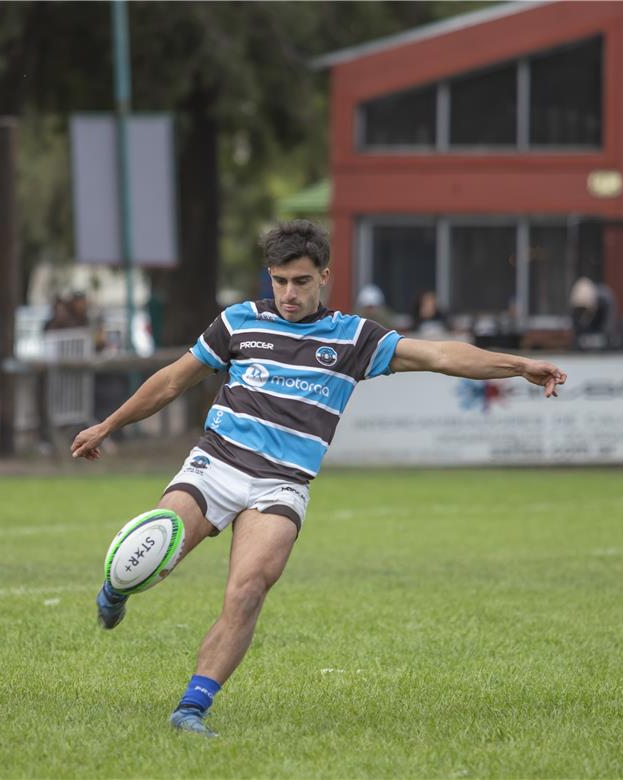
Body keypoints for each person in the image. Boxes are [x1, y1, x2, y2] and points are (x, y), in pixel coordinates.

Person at [71, 220, 566, 738]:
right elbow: (173, 379)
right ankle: (117, 586)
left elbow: (440, 355)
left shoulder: (353, 338)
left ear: (324, 276)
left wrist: (518, 365)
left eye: (302, 281)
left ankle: (191, 708)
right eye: (280, 280)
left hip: (281, 484)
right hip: (214, 467)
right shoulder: (238, 322)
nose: (289, 293)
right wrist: (109, 425)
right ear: (270, 275)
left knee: (248, 591)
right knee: (157, 544)